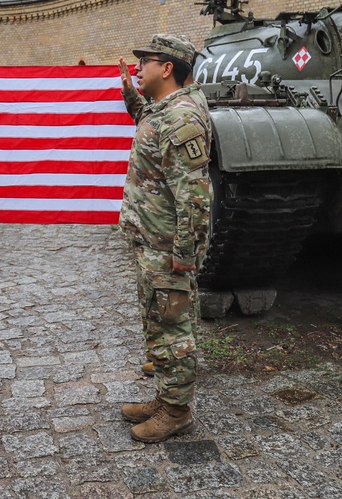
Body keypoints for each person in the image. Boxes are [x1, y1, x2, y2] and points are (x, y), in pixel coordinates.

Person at [117, 34, 213, 443]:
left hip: (167, 248)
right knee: (158, 323)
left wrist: (185, 254)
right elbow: (151, 127)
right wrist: (130, 96)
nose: (138, 68)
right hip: (151, 242)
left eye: (145, 62)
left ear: (167, 68)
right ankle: (165, 395)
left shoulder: (182, 118)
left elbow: (194, 195)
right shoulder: (167, 109)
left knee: (173, 327)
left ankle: (176, 411)